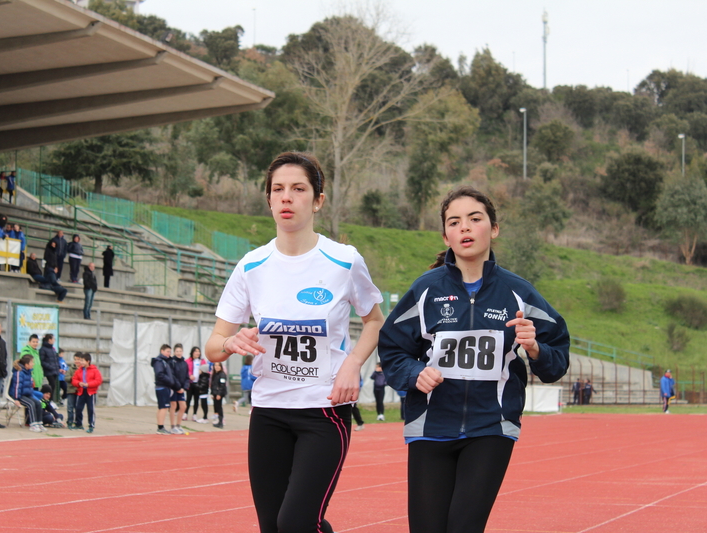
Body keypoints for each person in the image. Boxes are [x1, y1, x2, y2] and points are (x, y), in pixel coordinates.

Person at [205, 151, 385, 533]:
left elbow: (374, 321)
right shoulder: (251, 266)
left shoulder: (344, 260)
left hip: (323, 411)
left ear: (318, 200)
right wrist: (231, 341)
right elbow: (214, 344)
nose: (286, 197)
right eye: (278, 189)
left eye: (298, 189)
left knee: (296, 523)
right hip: (268, 411)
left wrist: (352, 364)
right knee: (273, 527)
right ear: (269, 200)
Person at [378, 186, 570, 533]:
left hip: (491, 428)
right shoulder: (425, 291)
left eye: (474, 219)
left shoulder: (520, 293)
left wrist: (536, 348)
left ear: (493, 229)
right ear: (446, 235)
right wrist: (415, 373)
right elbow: (392, 349)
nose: (464, 227)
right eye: (455, 222)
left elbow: (557, 358)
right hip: (429, 428)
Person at [8, 354, 45, 432]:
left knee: (38, 403)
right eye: (32, 362)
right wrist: (16, 399)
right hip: (19, 396)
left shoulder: (28, 372)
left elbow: (28, 387)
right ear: (26, 364)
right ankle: (33, 424)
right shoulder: (19, 373)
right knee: (31, 404)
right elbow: (16, 387)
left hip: (27, 395)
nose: (33, 364)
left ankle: (39, 423)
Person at [151, 344, 179, 434]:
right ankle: (160, 427)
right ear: (162, 351)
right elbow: (159, 374)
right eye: (167, 351)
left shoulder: (165, 361)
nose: (169, 354)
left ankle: (160, 426)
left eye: (170, 352)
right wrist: (170, 381)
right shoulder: (159, 361)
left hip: (164, 386)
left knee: (161, 407)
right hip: (162, 386)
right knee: (163, 407)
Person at [72, 351, 102, 433]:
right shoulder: (79, 371)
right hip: (81, 391)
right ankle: (78, 424)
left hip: (90, 392)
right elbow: (74, 380)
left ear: (88, 361)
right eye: (80, 360)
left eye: (82, 361)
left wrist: (89, 384)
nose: (80, 362)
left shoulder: (94, 370)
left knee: (90, 409)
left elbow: (98, 381)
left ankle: (91, 425)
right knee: (78, 408)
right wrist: (79, 383)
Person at [170, 343, 189, 434]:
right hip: (174, 388)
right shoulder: (172, 362)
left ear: (183, 352)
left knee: (183, 406)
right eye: (177, 351)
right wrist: (177, 387)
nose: (178, 353)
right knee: (173, 406)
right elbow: (172, 376)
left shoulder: (184, 363)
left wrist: (184, 387)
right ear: (174, 352)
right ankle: (172, 426)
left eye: (180, 351)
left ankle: (178, 425)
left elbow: (186, 376)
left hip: (181, 389)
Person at [185, 346, 206, 420]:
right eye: (196, 351)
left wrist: (202, 372)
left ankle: (194, 414)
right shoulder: (188, 361)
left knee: (196, 399)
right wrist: (189, 375)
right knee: (188, 399)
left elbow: (207, 370)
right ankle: (185, 413)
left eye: (198, 351)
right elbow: (185, 370)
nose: (197, 353)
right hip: (190, 383)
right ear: (192, 352)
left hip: (198, 383)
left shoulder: (202, 361)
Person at [64, 353, 83, 428]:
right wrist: (74, 378)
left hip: (80, 391)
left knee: (78, 408)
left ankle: (79, 422)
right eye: (75, 359)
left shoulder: (83, 369)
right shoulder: (71, 369)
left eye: (78, 359)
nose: (77, 361)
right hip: (71, 390)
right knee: (70, 407)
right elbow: (66, 378)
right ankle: (70, 421)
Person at [39, 333, 59, 399]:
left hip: (54, 371)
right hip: (49, 371)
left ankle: (50, 400)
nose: (54, 340)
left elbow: (55, 359)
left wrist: (58, 367)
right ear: (49, 340)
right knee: (52, 385)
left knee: (53, 386)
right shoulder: (43, 349)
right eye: (53, 339)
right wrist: (50, 367)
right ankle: (49, 400)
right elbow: (42, 361)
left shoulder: (52, 349)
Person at [211, 361, 228, 428]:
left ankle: (221, 422)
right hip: (215, 393)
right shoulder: (215, 374)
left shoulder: (222, 374)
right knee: (216, 407)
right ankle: (219, 421)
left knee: (219, 407)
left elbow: (222, 385)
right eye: (215, 365)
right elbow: (213, 385)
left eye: (218, 366)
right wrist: (212, 393)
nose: (217, 367)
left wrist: (219, 394)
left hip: (219, 393)